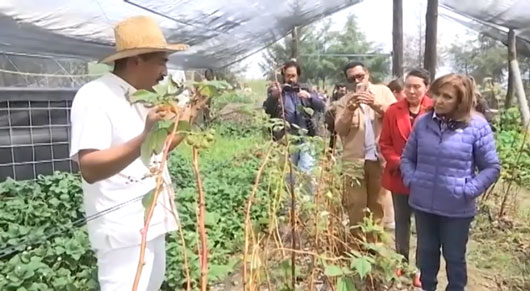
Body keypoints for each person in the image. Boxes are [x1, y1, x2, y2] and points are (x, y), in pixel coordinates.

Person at [69, 16, 191, 290]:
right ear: (136, 60)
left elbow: (153, 150)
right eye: (162, 61)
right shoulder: (95, 97)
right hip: (123, 234)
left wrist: (187, 121)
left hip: (152, 222)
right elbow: (89, 167)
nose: (165, 71)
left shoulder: (140, 98)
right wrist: (145, 136)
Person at [401, 73, 500, 291]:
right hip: (423, 204)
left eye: (447, 97)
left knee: (454, 257)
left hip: (457, 208)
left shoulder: (476, 126)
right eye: (437, 95)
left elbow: (491, 167)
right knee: (426, 254)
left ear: (460, 100)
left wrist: (467, 190)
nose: (439, 101)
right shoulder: (423, 122)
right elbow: (407, 158)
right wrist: (413, 180)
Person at [379, 68, 433, 288]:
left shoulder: (435, 110)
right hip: (400, 176)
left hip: (426, 179)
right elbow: (385, 143)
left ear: (426, 87)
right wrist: (400, 163)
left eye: (417, 87)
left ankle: (420, 269)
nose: (411, 91)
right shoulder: (393, 111)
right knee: (401, 222)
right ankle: (401, 262)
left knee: (423, 226)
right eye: (408, 87)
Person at [334, 61, 396, 240]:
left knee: (378, 205)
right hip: (354, 161)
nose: (357, 81)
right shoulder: (344, 102)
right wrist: (350, 110)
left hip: (379, 158)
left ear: (367, 74)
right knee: (356, 205)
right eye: (352, 79)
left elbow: (395, 115)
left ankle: (375, 247)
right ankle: (357, 248)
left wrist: (376, 104)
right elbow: (340, 129)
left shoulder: (383, 92)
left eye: (360, 76)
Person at [263, 60, 325, 173]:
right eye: (288, 76)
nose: (291, 79)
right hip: (286, 139)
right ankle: (292, 190)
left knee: (306, 170)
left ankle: (304, 190)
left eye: (293, 76)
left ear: (298, 76)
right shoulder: (276, 91)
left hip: (307, 136)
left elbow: (321, 106)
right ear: (283, 76)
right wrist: (275, 95)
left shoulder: (306, 90)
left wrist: (310, 97)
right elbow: (267, 109)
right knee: (289, 172)